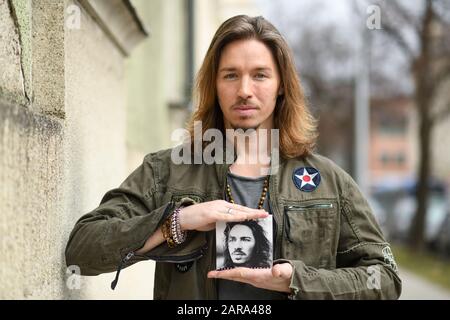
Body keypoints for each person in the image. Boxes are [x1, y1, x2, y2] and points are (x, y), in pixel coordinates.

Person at [65, 15, 402, 300]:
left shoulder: (328, 181)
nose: (244, 90)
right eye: (230, 75)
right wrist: (178, 223)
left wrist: (297, 280)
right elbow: (82, 250)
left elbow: (385, 279)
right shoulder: (167, 170)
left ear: (281, 84)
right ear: (214, 83)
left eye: (259, 75)